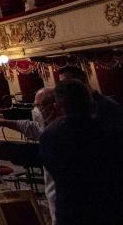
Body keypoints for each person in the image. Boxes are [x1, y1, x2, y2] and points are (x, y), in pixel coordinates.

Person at [40, 79, 123, 225]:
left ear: (58, 106)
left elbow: (53, 171)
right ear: (92, 103)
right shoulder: (110, 131)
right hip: (110, 208)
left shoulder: (51, 135)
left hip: (70, 210)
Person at [0, 88, 58, 221]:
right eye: (35, 106)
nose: (36, 110)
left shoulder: (65, 129)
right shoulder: (46, 126)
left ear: (55, 105)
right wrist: (2, 122)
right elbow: (31, 127)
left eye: (39, 106)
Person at [56, 64, 123, 123]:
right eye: (62, 83)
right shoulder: (75, 106)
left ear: (83, 80)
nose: (63, 87)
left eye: (67, 82)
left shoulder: (108, 105)